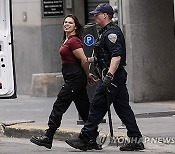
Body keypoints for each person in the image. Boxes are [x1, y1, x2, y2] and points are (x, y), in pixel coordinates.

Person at [65, 3, 145, 151]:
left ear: (105, 15)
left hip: (113, 77)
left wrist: (108, 76)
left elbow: (116, 57)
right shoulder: (105, 32)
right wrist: (87, 60)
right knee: (123, 109)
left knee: (97, 105)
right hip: (115, 76)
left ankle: (85, 138)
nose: (95, 16)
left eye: (97, 14)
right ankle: (136, 139)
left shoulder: (111, 34)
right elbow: (103, 57)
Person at [30, 14, 100, 150]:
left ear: (75, 26)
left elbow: (84, 60)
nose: (67, 24)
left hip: (75, 79)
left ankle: (48, 137)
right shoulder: (67, 40)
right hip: (73, 78)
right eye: (65, 22)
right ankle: (92, 139)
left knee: (59, 105)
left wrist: (87, 76)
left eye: (70, 23)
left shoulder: (74, 41)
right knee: (84, 109)